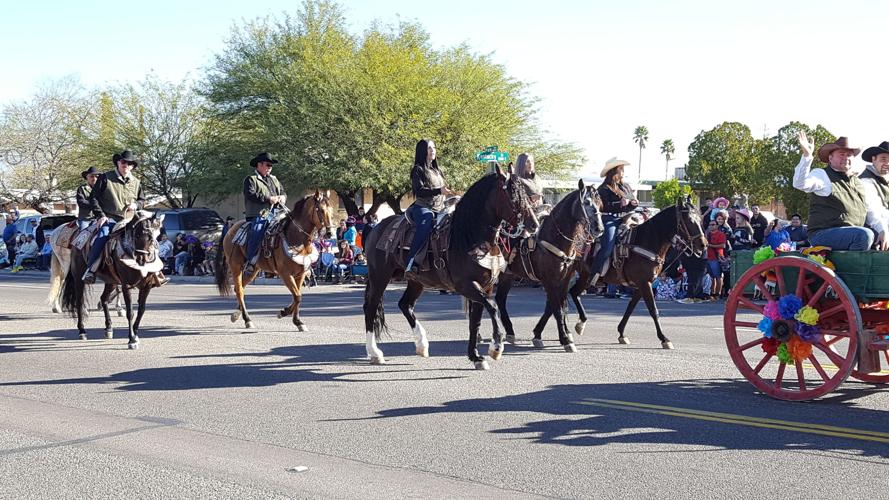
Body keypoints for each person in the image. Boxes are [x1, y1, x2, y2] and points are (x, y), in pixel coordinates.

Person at [83, 150, 160, 284]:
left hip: (130, 220)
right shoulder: (106, 177)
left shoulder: (136, 182)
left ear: (132, 166)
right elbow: (93, 198)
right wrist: (101, 216)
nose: (126, 165)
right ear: (118, 163)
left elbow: (142, 200)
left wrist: (136, 205)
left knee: (149, 236)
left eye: (129, 163)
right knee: (102, 236)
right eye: (123, 162)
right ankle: (91, 269)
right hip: (111, 219)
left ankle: (156, 271)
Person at [793, 132, 875, 251]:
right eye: (842, 154)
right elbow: (800, 183)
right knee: (863, 235)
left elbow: (871, 212)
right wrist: (807, 156)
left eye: (849, 155)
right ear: (830, 158)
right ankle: (850, 269)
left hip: (851, 233)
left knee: (876, 236)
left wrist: (883, 231)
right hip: (822, 234)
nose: (846, 158)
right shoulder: (822, 175)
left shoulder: (858, 182)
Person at [405, 139, 455, 273]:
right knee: (426, 221)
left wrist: (451, 197)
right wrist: (439, 190)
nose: (432, 150)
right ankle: (411, 261)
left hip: (441, 208)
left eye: (434, 147)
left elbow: (442, 192)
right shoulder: (417, 170)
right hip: (423, 208)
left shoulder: (438, 170)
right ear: (422, 151)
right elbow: (419, 191)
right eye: (429, 148)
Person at [590, 158, 638, 282]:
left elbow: (630, 203)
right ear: (613, 172)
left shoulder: (625, 186)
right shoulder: (603, 189)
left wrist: (633, 203)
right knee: (607, 247)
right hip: (609, 218)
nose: (623, 172)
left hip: (627, 217)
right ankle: (594, 274)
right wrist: (620, 204)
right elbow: (604, 206)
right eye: (621, 169)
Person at [243, 152, 286, 276]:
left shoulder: (274, 179)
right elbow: (251, 194)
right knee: (257, 230)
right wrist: (268, 199)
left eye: (271, 166)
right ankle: (250, 261)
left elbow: (283, 192)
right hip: (259, 214)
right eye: (267, 165)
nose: (270, 168)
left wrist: (282, 197)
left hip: (277, 212)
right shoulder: (251, 180)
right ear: (259, 165)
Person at [859, 140, 889, 251]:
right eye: (883, 159)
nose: (887, 163)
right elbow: (873, 211)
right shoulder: (866, 180)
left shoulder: (884, 180)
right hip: (872, 227)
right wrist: (883, 230)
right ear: (873, 159)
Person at [705, 220, 727, 301]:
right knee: (711, 277)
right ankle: (712, 293)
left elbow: (723, 245)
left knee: (718, 276)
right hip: (708, 257)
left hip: (716, 257)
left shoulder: (721, 234)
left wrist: (710, 245)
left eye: (713, 224)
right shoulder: (707, 234)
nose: (711, 226)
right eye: (710, 224)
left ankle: (718, 293)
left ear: (717, 226)